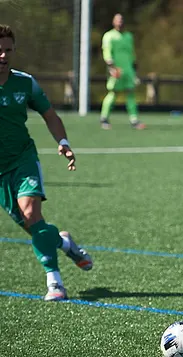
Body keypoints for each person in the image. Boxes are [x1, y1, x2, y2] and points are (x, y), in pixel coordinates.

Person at [0, 25, 93, 301]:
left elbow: (50, 115)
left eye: (8, 50)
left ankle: (55, 282)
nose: (3, 56)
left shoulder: (25, 83)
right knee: (34, 227)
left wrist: (63, 143)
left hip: (23, 159)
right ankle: (63, 242)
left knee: (31, 214)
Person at [99, 13, 145, 130]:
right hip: (116, 70)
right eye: (118, 20)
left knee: (130, 93)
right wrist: (111, 66)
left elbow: (131, 53)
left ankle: (134, 119)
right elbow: (107, 52)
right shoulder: (109, 36)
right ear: (113, 22)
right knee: (113, 93)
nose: (120, 22)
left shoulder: (129, 36)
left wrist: (135, 69)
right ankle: (104, 118)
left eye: (122, 20)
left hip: (128, 70)